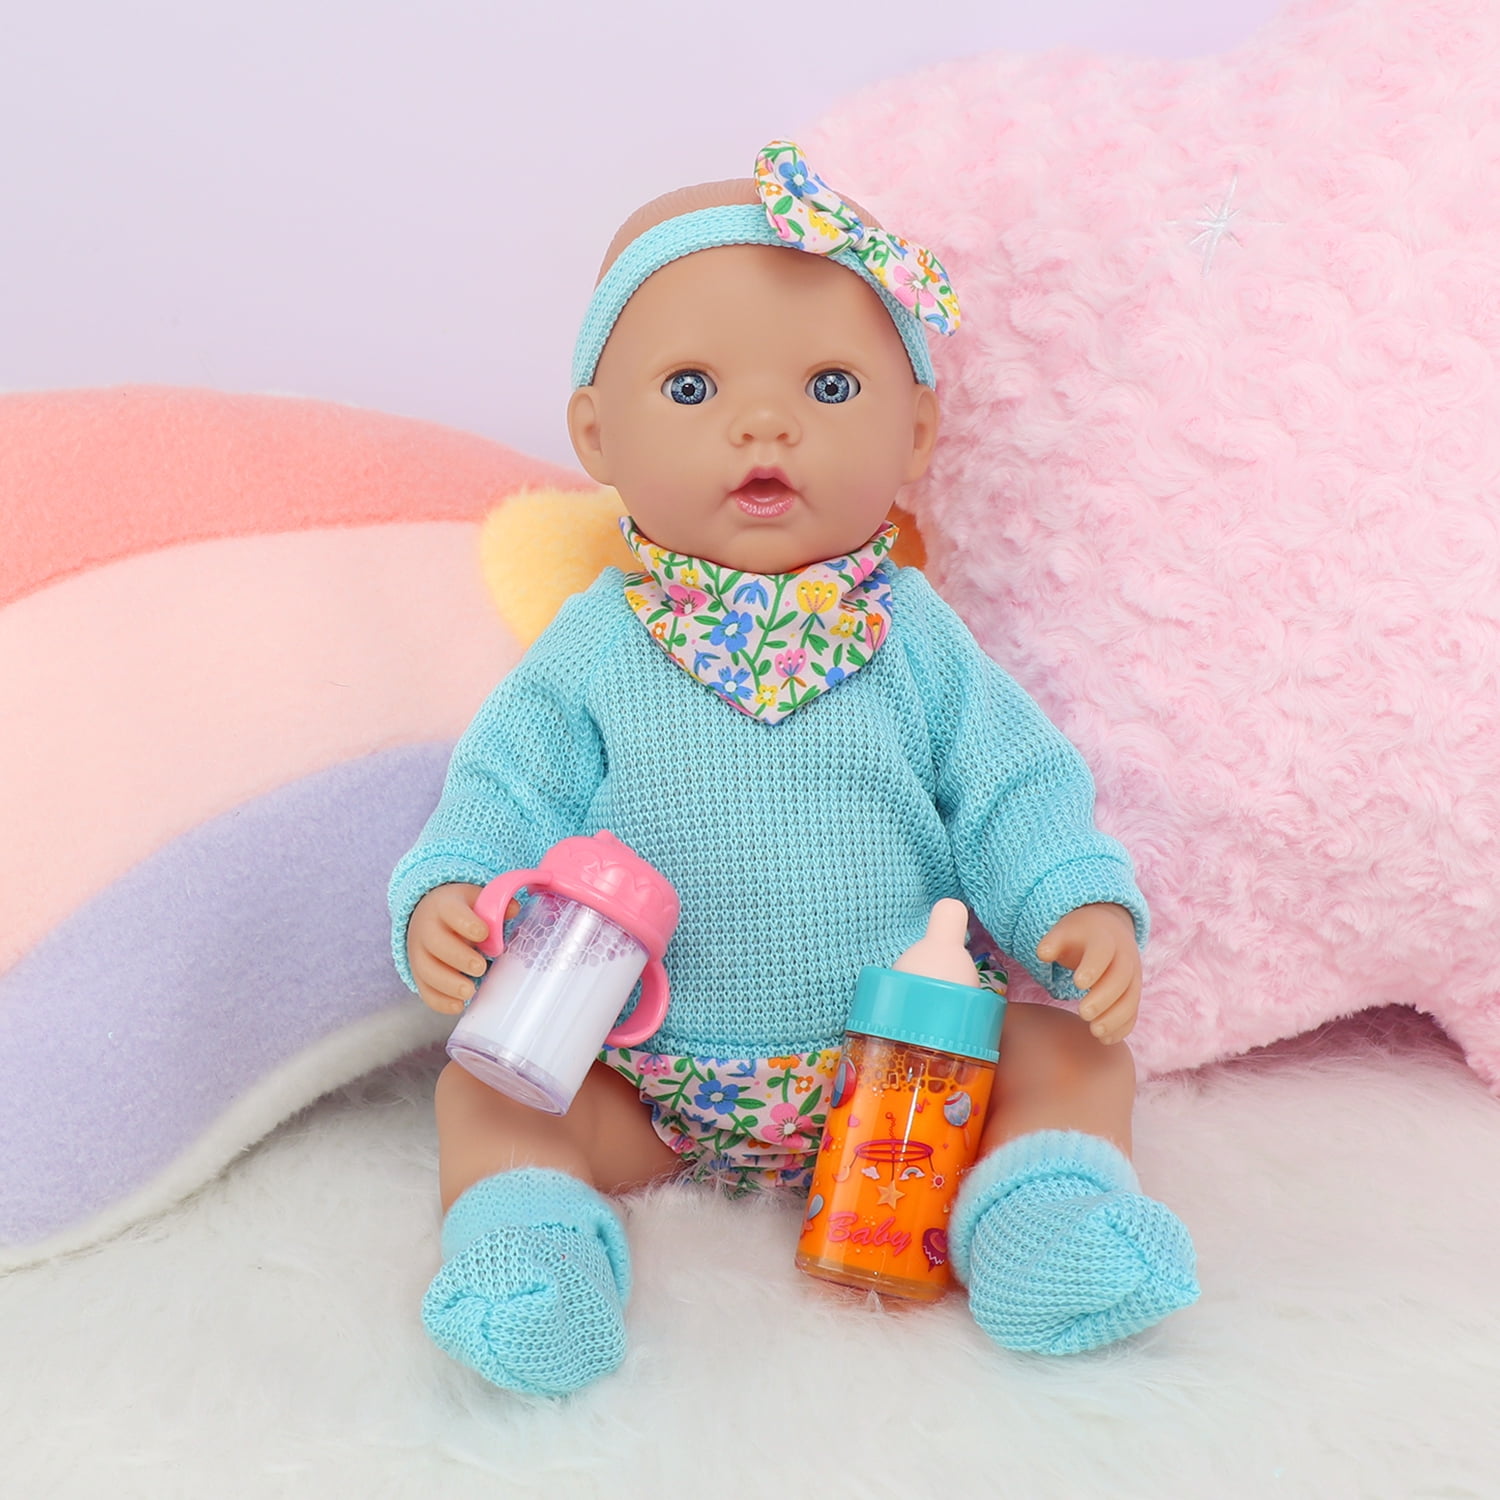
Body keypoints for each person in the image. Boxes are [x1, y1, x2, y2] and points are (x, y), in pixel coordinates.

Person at [389, 142, 1198, 1397]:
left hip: (910, 1071)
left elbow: (1013, 787)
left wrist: (1070, 903)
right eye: (693, 387)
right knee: (483, 1096)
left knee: (1075, 1059)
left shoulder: (918, 639)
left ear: (916, 430)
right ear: (597, 434)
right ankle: (534, 1258)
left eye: (828, 385)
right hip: (644, 1075)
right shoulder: (595, 647)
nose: (764, 424)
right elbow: (504, 794)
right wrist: (448, 898)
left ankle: (1038, 1222)